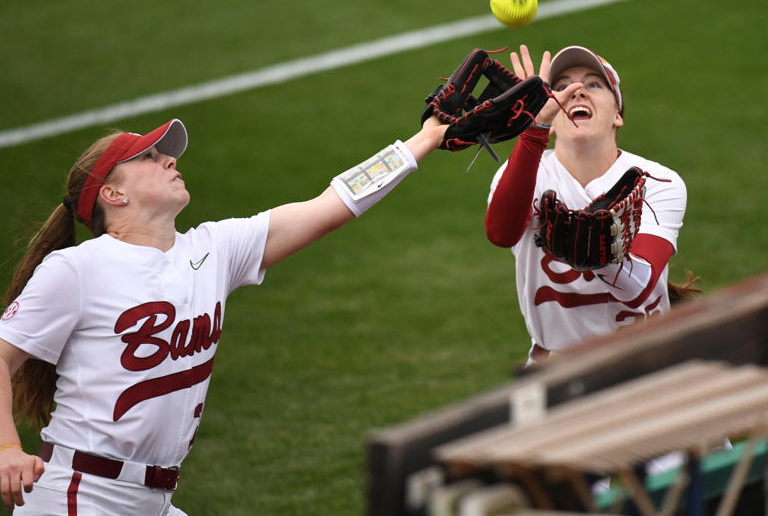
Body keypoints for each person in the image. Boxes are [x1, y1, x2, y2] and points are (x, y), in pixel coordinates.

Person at [0, 115, 447, 513]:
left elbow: (332, 204)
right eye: (150, 158)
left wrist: (422, 140)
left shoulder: (215, 248)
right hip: (79, 496)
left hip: (153, 500)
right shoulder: (77, 269)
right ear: (113, 193)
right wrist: (7, 448)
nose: (170, 162)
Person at [485, 44, 695, 367]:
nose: (577, 91)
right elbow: (500, 232)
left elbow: (640, 289)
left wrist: (598, 256)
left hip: (647, 365)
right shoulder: (527, 174)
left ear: (618, 115)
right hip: (555, 368)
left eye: (594, 84)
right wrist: (532, 130)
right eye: (561, 86)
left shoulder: (658, 182)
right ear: (551, 117)